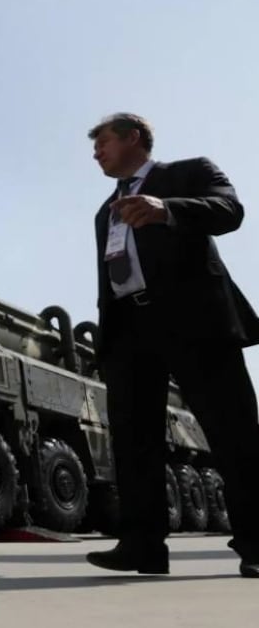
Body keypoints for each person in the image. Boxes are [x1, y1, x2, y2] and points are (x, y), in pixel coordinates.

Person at [85, 112, 259, 578]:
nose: (95, 153)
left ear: (133, 137)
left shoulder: (189, 172)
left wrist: (168, 209)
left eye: (102, 142)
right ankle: (142, 546)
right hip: (129, 330)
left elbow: (231, 212)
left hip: (195, 321)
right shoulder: (105, 211)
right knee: (133, 442)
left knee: (233, 432)